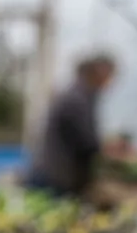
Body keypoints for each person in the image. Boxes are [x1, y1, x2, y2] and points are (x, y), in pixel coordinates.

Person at [29, 53, 117, 199]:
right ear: (100, 72)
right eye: (110, 75)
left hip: (56, 174)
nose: (110, 81)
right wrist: (110, 151)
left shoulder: (82, 95)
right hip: (55, 177)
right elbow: (86, 141)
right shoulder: (77, 99)